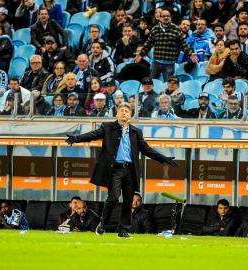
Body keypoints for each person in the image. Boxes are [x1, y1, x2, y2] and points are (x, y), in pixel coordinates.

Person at [65, 102, 178, 238]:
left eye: (126, 111)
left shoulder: (136, 132)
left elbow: (147, 150)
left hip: (130, 170)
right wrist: (76, 138)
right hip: (115, 169)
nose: (124, 112)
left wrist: (164, 159)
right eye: (121, 110)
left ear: (130, 115)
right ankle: (103, 223)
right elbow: (93, 135)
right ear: (117, 114)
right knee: (113, 197)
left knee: (128, 201)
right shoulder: (107, 127)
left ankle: (123, 230)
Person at [143, 9, 197, 82]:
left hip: (169, 64)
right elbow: (148, 43)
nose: (166, 18)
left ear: (170, 17)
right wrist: (140, 54)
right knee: (151, 83)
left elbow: (183, 45)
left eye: (168, 16)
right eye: (164, 16)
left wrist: (190, 54)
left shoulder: (176, 29)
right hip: (156, 62)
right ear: (160, 18)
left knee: (168, 85)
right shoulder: (155, 29)